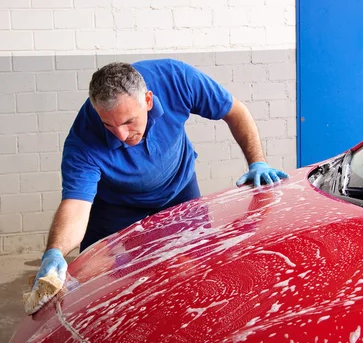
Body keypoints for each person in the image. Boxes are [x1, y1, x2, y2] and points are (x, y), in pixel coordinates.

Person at [32, 58, 289, 292]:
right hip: (114, 208)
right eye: (108, 125)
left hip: (178, 189)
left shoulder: (177, 80)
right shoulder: (82, 142)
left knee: (191, 273)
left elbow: (234, 111)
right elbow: (76, 206)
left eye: (128, 122)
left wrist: (258, 163)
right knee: (104, 288)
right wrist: (54, 252)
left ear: (148, 100)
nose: (120, 135)